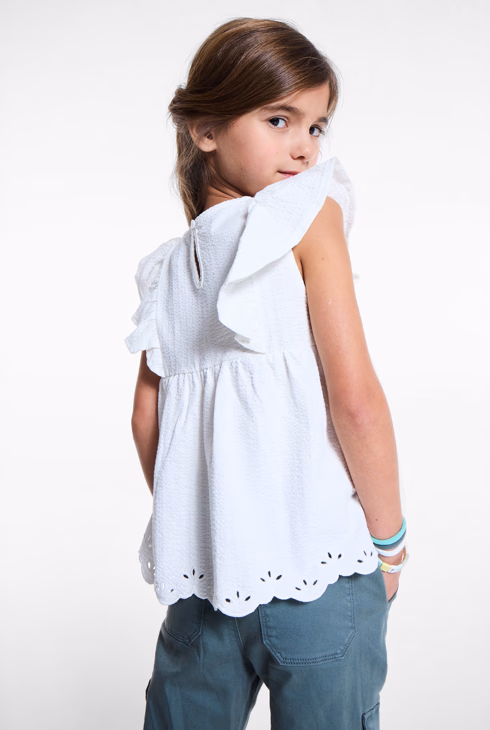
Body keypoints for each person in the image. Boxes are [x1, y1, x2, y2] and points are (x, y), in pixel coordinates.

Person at [124, 17, 409, 730]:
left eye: (317, 126)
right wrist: (389, 544)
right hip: (320, 571)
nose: (304, 147)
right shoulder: (309, 217)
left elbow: (145, 422)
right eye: (279, 119)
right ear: (204, 129)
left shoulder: (165, 270)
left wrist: (211, 520)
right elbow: (356, 401)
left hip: (204, 582)